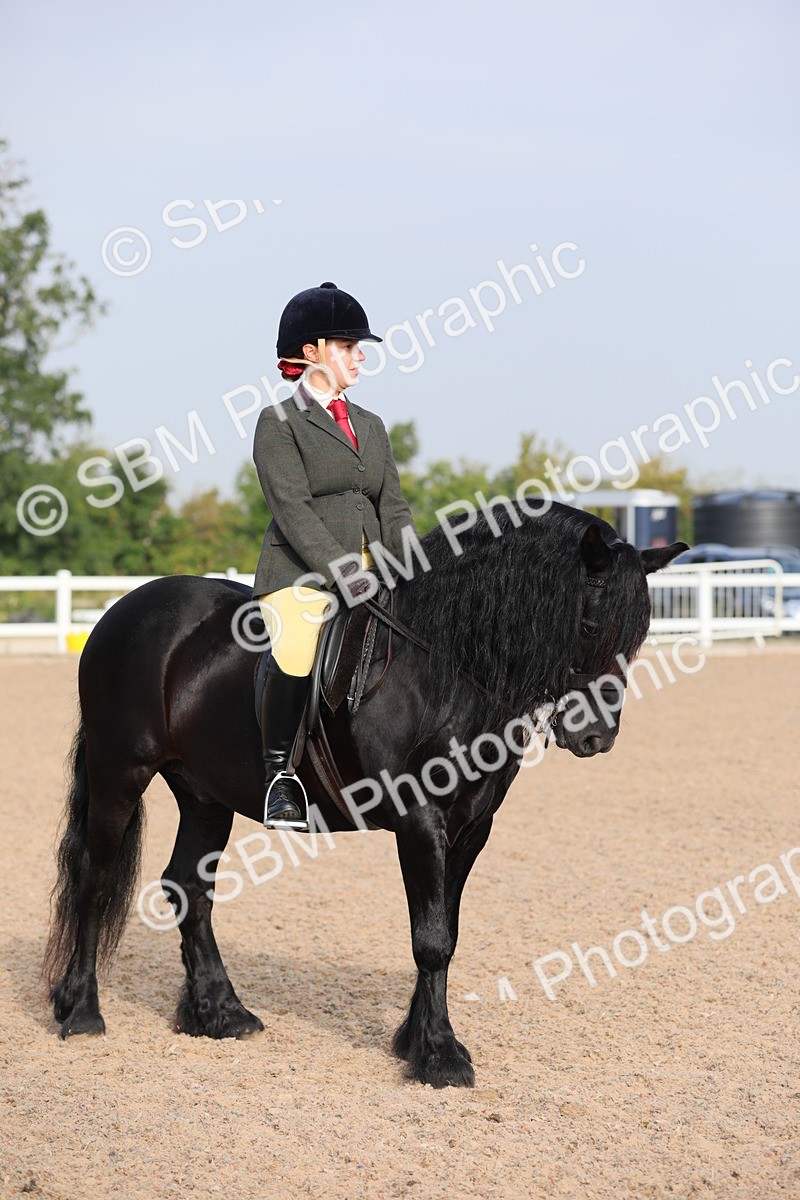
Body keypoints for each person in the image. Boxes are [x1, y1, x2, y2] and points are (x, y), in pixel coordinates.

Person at [252, 282, 417, 829]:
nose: (360, 357)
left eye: (358, 346)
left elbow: (392, 506)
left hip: (375, 567)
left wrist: (413, 566)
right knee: (299, 644)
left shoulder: (371, 425)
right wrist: (344, 571)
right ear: (311, 352)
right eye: (348, 346)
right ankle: (281, 777)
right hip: (300, 572)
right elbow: (293, 508)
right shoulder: (278, 424)